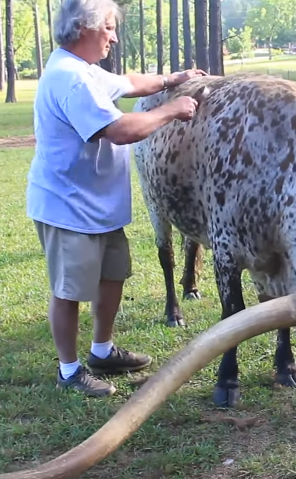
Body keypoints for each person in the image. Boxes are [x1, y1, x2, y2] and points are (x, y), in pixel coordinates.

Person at [26, 0, 207, 397]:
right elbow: (120, 130)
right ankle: (69, 371)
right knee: (69, 289)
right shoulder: (69, 79)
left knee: (112, 276)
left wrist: (172, 79)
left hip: (97, 206)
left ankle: (102, 351)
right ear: (83, 28)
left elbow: (128, 83)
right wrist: (173, 110)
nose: (113, 36)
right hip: (68, 207)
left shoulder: (85, 71)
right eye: (108, 27)